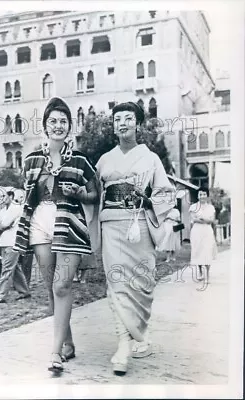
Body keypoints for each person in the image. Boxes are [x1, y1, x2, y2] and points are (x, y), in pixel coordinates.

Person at [13, 97, 98, 373]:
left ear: (69, 126)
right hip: (41, 223)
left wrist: (80, 192)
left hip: (69, 223)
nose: (58, 126)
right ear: (45, 127)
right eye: (53, 121)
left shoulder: (81, 161)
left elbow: (95, 193)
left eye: (63, 121)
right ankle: (68, 343)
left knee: (62, 286)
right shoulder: (31, 160)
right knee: (52, 290)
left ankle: (55, 353)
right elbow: (28, 195)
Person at [95, 102, 175, 375]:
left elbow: (167, 193)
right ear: (114, 125)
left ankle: (138, 334)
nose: (123, 123)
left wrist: (148, 199)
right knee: (116, 283)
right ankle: (122, 344)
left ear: (138, 124)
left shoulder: (151, 158)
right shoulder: (104, 160)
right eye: (118, 119)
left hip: (139, 225)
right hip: (112, 226)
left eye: (129, 118)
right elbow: (95, 196)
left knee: (141, 284)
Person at [0, 191, 31, 304]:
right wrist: (0, 226)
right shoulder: (3, 210)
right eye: (1, 196)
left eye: (4, 196)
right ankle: (24, 291)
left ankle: (0, 296)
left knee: (7, 268)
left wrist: (1, 226)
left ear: (11, 196)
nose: (2, 198)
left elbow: (4, 224)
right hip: (3, 242)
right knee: (14, 268)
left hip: (13, 242)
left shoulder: (16, 208)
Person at [189, 188, 217, 284]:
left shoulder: (211, 208)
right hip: (197, 231)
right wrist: (205, 219)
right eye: (200, 194)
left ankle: (208, 276)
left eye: (204, 194)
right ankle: (200, 272)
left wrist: (202, 218)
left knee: (207, 251)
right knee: (198, 251)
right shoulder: (193, 207)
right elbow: (193, 219)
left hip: (207, 231)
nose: (202, 196)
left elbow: (212, 220)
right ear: (198, 196)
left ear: (207, 195)